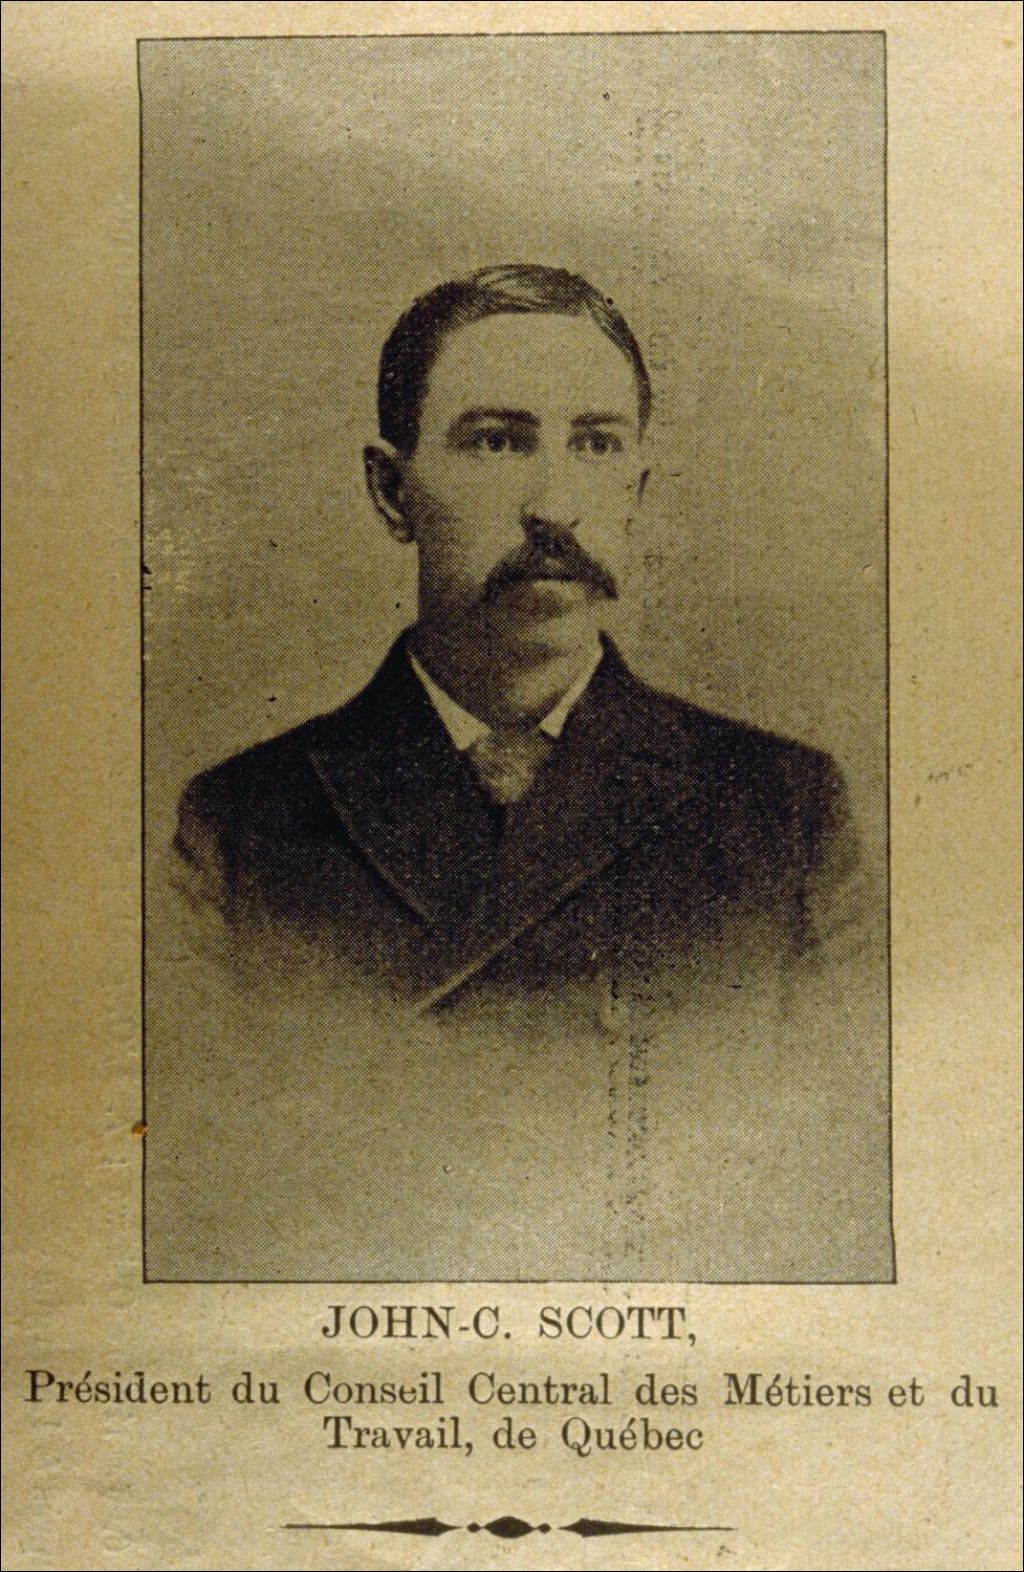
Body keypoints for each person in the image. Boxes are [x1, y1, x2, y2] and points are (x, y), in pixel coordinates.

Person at [159, 263, 892, 1282]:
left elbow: (838, 1188)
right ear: (391, 492)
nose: (556, 506)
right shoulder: (242, 824)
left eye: (596, 445)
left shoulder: (783, 810)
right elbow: (205, 1195)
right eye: (497, 442)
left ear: (636, 491)